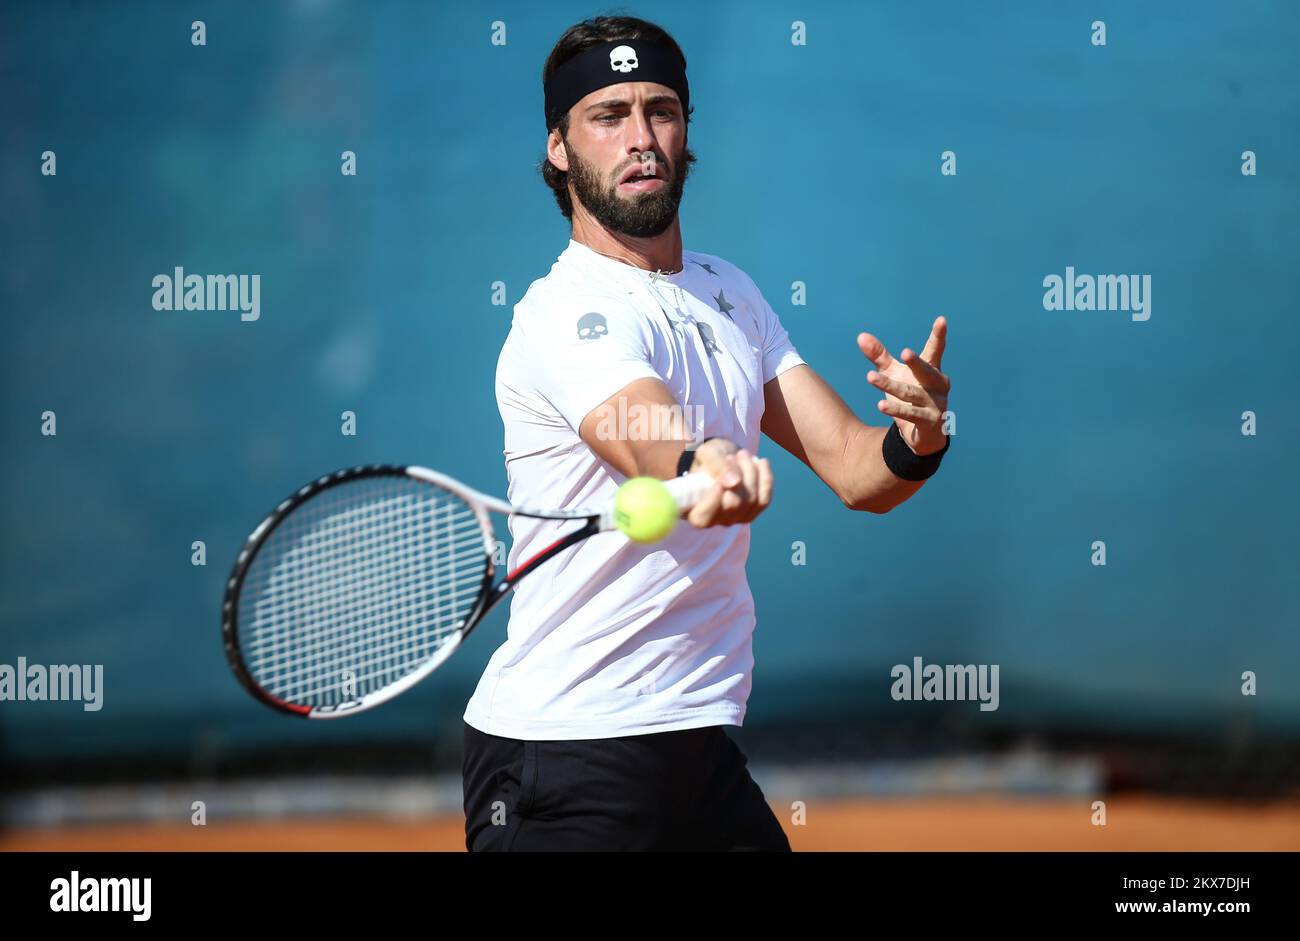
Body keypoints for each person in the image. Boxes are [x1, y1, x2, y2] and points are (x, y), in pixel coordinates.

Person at [462, 14, 952, 851]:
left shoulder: (731, 293)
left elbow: (857, 472)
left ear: (687, 130)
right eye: (608, 116)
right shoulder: (564, 314)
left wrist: (920, 434)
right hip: (565, 758)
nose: (641, 137)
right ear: (558, 148)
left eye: (661, 110)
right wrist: (701, 463)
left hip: (697, 747)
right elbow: (641, 429)